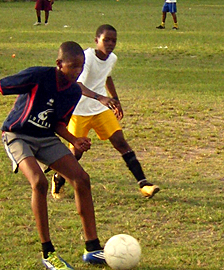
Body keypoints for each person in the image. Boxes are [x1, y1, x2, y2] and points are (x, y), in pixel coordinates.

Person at [0, 41, 107, 270]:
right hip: (17, 135)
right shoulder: (38, 76)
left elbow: (58, 122)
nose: (77, 72)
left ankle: (92, 247)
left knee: (81, 179)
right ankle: (48, 252)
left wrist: (74, 140)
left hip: (45, 137)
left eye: (81, 67)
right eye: (72, 67)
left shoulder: (73, 91)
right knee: (39, 182)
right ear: (59, 64)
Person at [52, 24, 160, 200]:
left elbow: (107, 76)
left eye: (114, 41)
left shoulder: (112, 58)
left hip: (100, 110)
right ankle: (58, 179)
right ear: (96, 41)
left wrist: (115, 99)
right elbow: (77, 84)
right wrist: (100, 97)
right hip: (80, 111)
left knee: (121, 142)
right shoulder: (86, 58)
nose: (110, 43)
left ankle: (144, 184)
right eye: (106, 40)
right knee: (76, 153)